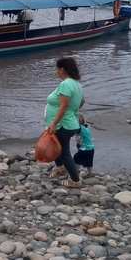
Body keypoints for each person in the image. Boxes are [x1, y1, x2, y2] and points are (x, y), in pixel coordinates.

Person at [43, 56, 84, 187]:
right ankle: (60, 168)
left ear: (62, 69)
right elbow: (81, 101)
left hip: (63, 124)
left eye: (57, 69)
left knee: (64, 151)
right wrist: (75, 112)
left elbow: (64, 105)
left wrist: (54, 123)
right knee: (56, 147)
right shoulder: (77, 84)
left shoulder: (66, 84)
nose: (56, 72)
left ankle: (75, 180)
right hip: (69, 122)